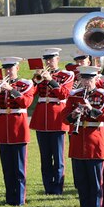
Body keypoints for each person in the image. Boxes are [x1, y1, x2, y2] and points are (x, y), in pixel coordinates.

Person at [64, 66, 104, 207]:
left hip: (95, 143)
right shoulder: (75, 95)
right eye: (84, 79)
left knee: (95, 182)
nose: (87, 82)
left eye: (90, 79)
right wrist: (73, 114)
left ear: (95, 80)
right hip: (78, 143)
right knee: (81, 182)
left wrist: (92, 109)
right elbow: (63, 117)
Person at [30, 48, 75, 195]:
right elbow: (31, 95)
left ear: (58, 59)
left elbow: (64, 94)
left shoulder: (66, 75)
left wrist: (51, 80)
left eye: (52, 59)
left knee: (58, 156)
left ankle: (58, 187)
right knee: (45, 156)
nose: (49, 62)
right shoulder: (41, 75)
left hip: (57, 118)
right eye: (47, 59)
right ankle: (48, 187)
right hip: (42, 118)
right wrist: (34, 81)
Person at [0, 57, 35, 206]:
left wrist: (11, 90)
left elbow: (26, 102)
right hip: (3, 127)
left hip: (18, 127)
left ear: (17, 68)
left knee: (19, 167)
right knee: (7, 167)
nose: (8, 72)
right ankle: (10, 198)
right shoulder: (0, 85)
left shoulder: (26, 84)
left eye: (11, 69)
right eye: (6, 69)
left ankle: (20, 199)